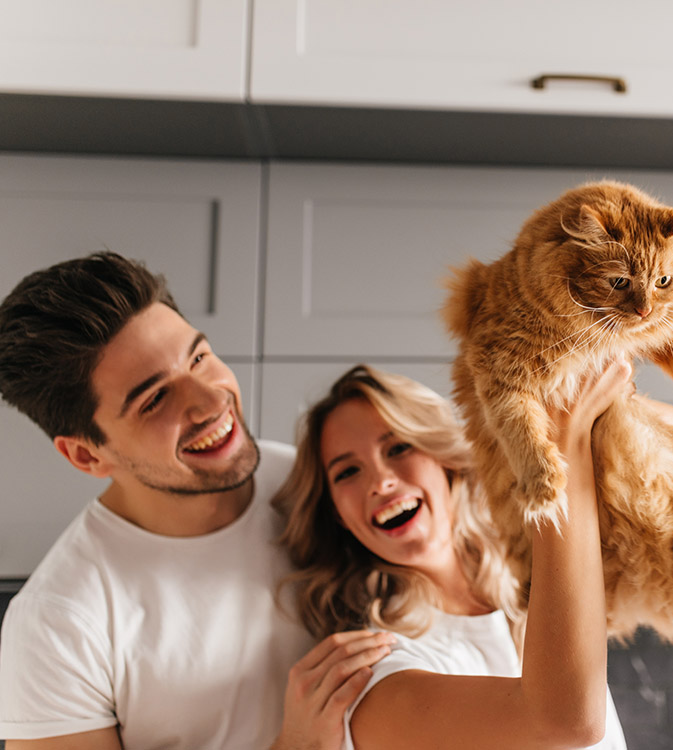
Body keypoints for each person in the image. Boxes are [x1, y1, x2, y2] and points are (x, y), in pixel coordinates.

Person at [0, 252, 389, 750]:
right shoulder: (58, 622)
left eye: (199, 358)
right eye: (154, 399)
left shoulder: (324, 484)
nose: (210, 401)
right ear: (86, 455)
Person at [274, 362, 641, 750]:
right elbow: (567, 724)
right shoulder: (371, 676)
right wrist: (559, 448)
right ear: (337, 515)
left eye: (398, 448)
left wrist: (606, 397)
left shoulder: (533, 588)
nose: (380, 481)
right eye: (348, 472)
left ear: (443, 459)